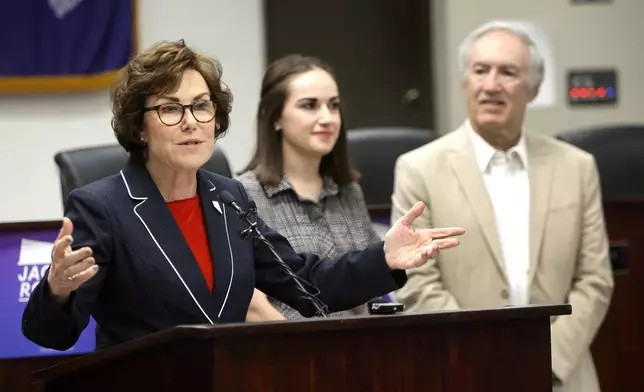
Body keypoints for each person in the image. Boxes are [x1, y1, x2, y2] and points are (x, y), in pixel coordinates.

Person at [21, 40, 466, 351]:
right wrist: (58, 291)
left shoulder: (227, 196)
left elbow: (306, 284)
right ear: (140, 125)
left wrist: (383, 258)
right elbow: (51, 335)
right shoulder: (102, 206)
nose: (192, 121)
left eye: (202, 105)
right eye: (171, 109)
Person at [390, 21, 613, 392]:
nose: (491, 85)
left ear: (534, 87)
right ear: (465, 81)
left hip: (562, 377)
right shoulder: (418, 169)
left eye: (508, 72)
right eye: (480, 70)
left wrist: (547, 362)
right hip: (462, 374)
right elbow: (418, 283)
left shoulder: (577, 167)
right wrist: (485, 362)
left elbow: (595, 279)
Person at [238, 54, 382, 320]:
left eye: (334, 105)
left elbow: (368, 291)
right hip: (291, 352)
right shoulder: (244, 196)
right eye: (309, 106)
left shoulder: (349, 191)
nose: (327, 118)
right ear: (275, 118)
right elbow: (252, 305)